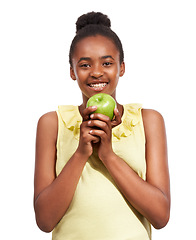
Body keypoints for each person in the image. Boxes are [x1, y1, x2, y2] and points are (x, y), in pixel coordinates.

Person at [34, 11, 170, 240]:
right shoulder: (52, 123)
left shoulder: (148, 121)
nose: (97, 72)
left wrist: (108, 154)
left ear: (122, 68)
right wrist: (81, 153)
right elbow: (45, 220)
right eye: (85, 64)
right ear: (72, 72)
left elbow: (161, 215)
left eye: (107, 63)